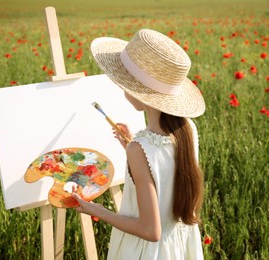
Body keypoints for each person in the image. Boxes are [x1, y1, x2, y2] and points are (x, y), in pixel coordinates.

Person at [72, 28, 206, 259]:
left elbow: (150, 230)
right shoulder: (187, 130)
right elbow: (166, 171)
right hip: (179, 249)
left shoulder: (140, 149)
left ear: (136, 91)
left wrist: (97, 210)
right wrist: (136, 150)